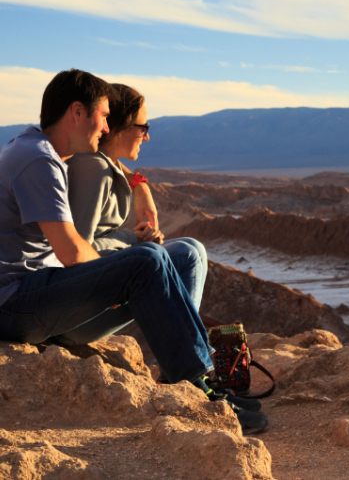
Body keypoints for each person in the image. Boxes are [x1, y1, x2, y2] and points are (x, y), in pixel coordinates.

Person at [0, 69, 267, 433]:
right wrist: (112, 277)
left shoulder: (36, 150)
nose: (106, 128)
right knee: (147, 260)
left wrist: (138, 183)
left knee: (173, 255)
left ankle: (195, 376)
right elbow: (71, 252)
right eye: (103, 116)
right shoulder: (38, 160)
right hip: (14, 304)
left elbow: (101, 170)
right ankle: (198, 389)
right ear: (77, 112)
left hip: (32, 295)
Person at [64, 83, 209, 333]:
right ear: (119, 127)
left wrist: (139, 184)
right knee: (187, 254)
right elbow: (76, 254)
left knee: (192, 247)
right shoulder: (94, 169)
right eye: (143, 128)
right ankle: (191, 351)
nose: (147, 136)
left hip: (82, 301)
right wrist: (133, 239)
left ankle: (189, 347)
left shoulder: (103, 164)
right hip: (73, 317)